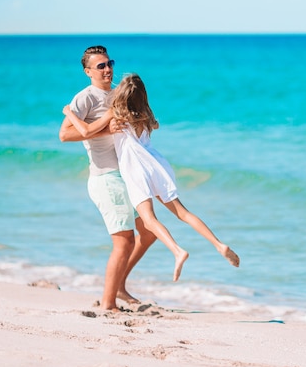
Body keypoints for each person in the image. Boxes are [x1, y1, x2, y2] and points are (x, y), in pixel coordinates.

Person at [63, 73, 240, 282]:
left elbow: (86, 130)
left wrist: (69, 113)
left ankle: (177, 250)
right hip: (156, 164)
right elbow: (153, 126)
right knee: (182, 212)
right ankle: (218, 244)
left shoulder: (116, 113)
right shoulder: (146, 114)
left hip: (135, 168)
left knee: (148, 218)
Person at [59, 46, 156, 311]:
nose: (107, 69)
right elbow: (64, 135)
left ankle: (120, 286)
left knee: (148, 232)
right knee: (123, 241)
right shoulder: (85, 98)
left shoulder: (117, 93)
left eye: (109, 63)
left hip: (128, 174)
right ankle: (108, 303)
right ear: (88, 71)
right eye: (100, 66)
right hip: (106, 178)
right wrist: (104, 132)